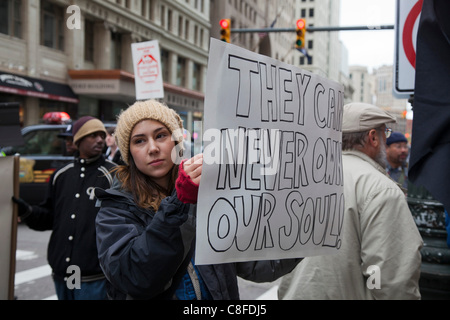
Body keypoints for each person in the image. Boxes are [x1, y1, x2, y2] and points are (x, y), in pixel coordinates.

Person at [94, 100, 300, 300]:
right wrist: (180, 202)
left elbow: (255, 265)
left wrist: (304, 234)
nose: (153, 148)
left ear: (176, 141)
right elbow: (137, 278)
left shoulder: (209, 196)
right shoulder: (115, 210)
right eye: (139, 140)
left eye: (161, 136)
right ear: (128, 152)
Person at [278, 103, 423, 300]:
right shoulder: (380, 188)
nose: (385, 139)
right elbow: (392, 280)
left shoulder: (302, 179)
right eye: (385, 133)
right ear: (372, 137)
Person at [13, 116, 116, 300]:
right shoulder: (61, 175)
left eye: (101, 135)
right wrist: (26, 211)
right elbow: (49, 218)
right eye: (93, 135)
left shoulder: (113, 175)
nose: (100, 139)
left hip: (94, 277)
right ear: (78, 140)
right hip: (62, 273)